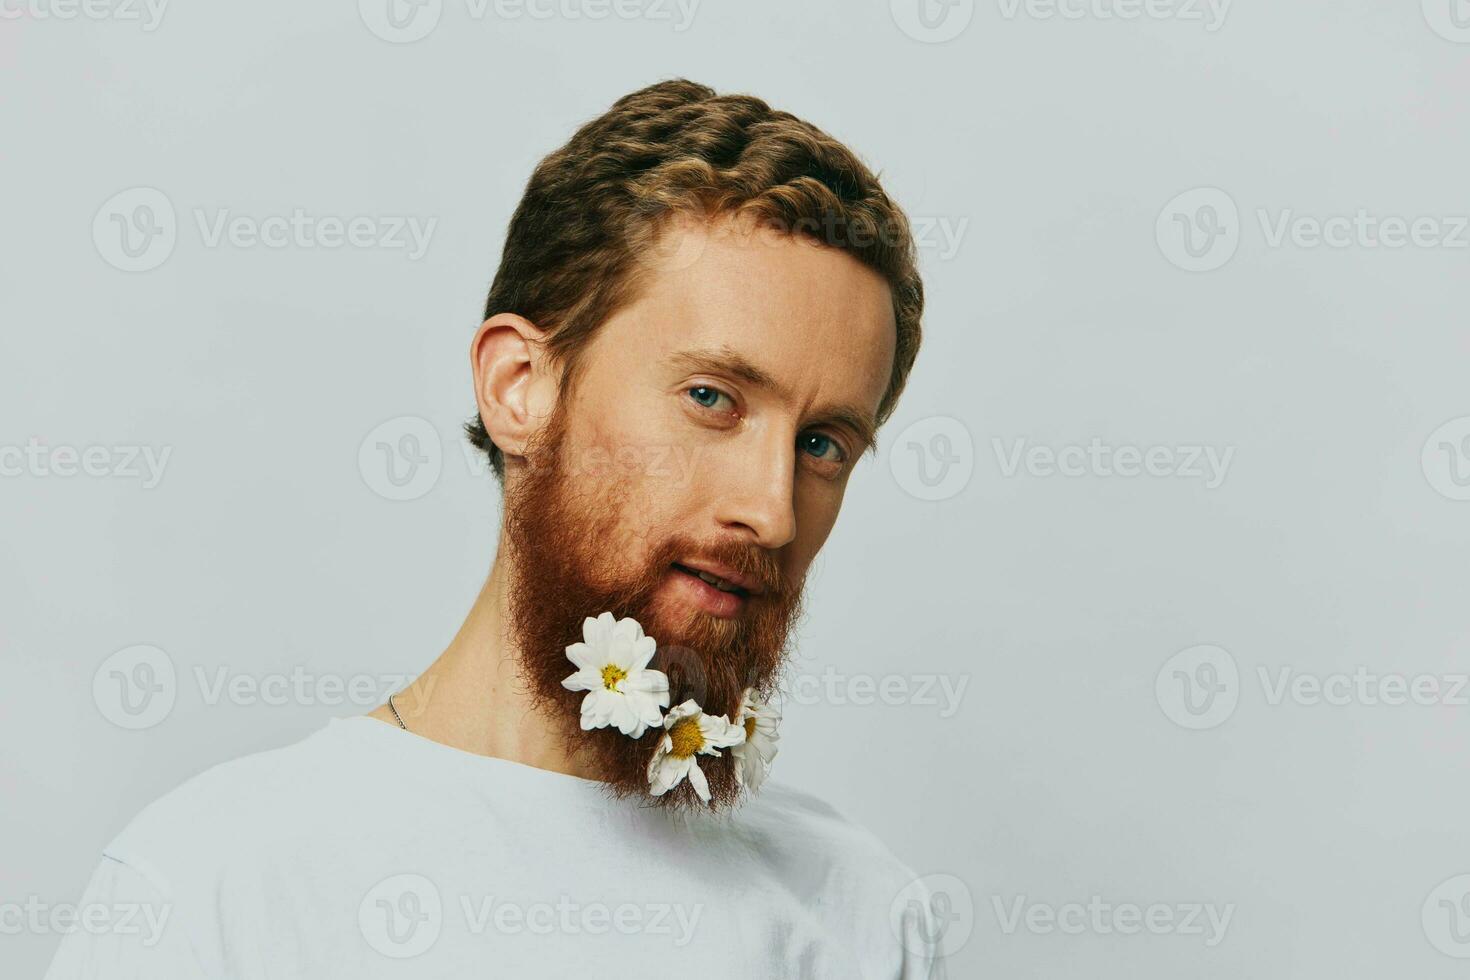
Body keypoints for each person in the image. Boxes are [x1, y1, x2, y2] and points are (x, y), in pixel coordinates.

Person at [46, 78, 944, 978]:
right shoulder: (218, 889)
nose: (774, 510)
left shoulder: (860, 916)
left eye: (823, 444)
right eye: (711, 398)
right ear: (521, 387)